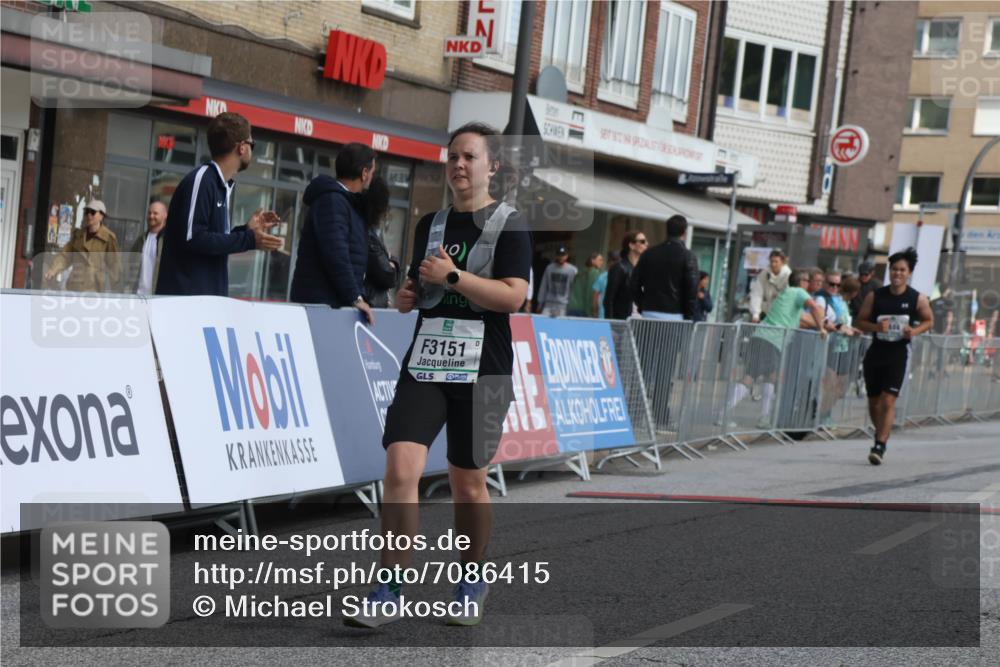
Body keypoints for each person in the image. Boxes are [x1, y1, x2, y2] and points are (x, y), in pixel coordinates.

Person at [344, 122, 531, 629]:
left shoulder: (510, 225)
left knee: (467, 483)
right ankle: (389, 588)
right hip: (427, 361)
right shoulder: (432, 223)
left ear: (492, 166)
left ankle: (472, 578)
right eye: (452, 157)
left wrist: (453, 276)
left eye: (469, 156)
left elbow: (514, 296)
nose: (458, 165)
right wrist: (409, 296)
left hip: (484, 367)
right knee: (400, 470)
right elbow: (417, 290)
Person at [156, 112, 283, 296]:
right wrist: (249, 239)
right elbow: (194, 238)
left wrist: (247, 230)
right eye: (251, 144)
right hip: (187, 302)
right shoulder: (202, 180)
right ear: (241, 147)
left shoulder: (218, 184)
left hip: (205, 300)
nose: (251, 150)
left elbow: (211, 241)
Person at [855, 247, 933, 465]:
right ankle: (880, 432)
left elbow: (929, 320)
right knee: (874, 402)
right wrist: (876, 326)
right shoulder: (875, 296)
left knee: (888, 400)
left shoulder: (917, 298)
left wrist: (914, 331)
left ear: (909, 273)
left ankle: (880, 444)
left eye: (901, 270)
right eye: (894, 269)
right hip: (876, 352)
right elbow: (860, 322)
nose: (897, 273)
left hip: (898, 353)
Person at [726, 269, 827, 429]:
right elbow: (814, 308)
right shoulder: (799, 292)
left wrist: (822, 324)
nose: (809, 283)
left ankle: (761, 417)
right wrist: (822, 327)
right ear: (801, 282)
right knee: (755, 377)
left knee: (765, 376)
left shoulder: (789, 295)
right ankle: (727, 414)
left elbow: (805, 319)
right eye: (808, 280)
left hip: (765, 338)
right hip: (770, 339)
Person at [290, 142, 377, 324]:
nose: (372, 177)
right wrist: (356, 297)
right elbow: (336, 254)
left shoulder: (348, 204)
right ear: (364, 173)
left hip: (333, 306)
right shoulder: (332, 201)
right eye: (372, 172)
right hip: (320, 307)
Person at [630, 215, 699, 321]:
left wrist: (642, 305)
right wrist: (689, 315)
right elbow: (692, 288)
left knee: (648, 338)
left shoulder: (649, 254)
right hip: (676, 314)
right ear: (684, 232)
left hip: (649, 311)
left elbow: (634, 282)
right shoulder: (688, 256)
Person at [44, 200, 122, 292]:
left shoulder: (108, 238)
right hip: (75, 287)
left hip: (95, 289)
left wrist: (115, 292)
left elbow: (115, 265)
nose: (89, 215)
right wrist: (53, 270)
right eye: (87, 212)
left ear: (101, 216)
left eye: (93, 212)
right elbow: (65, 256)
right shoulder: (78, 235)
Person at [816, 270, 859, 423]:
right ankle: (820, 417)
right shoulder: (822, 298)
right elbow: (822, 319)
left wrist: (851, 330)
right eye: (831, 284)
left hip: (844, 347)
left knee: (841, 387)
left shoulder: (841, 301)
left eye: (838, 284)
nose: (834, 287)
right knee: (830, 385)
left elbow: (844, 322)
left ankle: (824, 413)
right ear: (825, 283)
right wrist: (840, 328)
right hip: (829, 347)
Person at [360, 177, 400, 309]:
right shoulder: (368, 236)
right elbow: (387, 275)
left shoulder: (372, 232)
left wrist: (391, 261)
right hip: (369, 305)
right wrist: (393, 262)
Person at [603, 231, 647, 319]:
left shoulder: (643, 268)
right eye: (642, 241)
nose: (646, 244)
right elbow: (609, 299)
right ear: (631, 245)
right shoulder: (619, 267)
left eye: (645, 241)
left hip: (640, 321)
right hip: (622, 320)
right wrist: (612, 323)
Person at [133, 201, 166, 295]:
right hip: (138, 295)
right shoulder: (140, 240)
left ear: (165, 215)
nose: (151, 216)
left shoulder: (169, 241)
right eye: (149, 213)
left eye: (155, 213)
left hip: (158, 296)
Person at [749, 249, 790, 323]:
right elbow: (757, 294)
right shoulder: (764, 274)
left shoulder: (788, 276)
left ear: (782, 262)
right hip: (765, 313)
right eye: (772, 261)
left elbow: (788, 298)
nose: (773, 264)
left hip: (781, 315)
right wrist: (755, 313)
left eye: (776, 262)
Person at [536, 246, 577, 317]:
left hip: (563, 304)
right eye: (559, 255)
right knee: (544, 324)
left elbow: (573, 289)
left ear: (567, 256)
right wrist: (540, 303)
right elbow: (544, 285)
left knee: (560, 326)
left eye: (563, 255)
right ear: (556, 256)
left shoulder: (573, 270)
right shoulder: (549, 268)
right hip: (549, 303)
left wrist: (572, 305)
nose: (561, 257)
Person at [567, 252, 604, 317]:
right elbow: (590, 293)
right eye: (600, 260)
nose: (602, 262)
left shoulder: (581, 271)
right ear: (593, 260)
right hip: (583, 310)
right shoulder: (594, 272)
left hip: (572, 306)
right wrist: (592, 312)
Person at [592, 252, 616, 318]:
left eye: (617, 260)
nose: (614, 263)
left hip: (618, 316)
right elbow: (595, 296)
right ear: (609, 262)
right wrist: (595, 312)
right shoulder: (602, 277)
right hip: (603, 315)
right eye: (613, 260)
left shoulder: (624, 276)